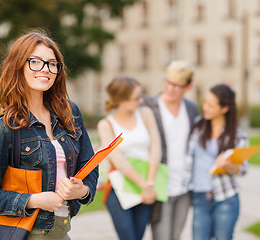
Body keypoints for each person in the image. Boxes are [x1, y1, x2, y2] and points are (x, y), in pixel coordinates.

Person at [0, 30, 98, 240]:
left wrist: (82, 191)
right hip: (28, 232)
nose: (45, 69)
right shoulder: (5, 129)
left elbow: (90, 166)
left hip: (62, 229)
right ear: (19, 65)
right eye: (36, 62)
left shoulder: (70, 113)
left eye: (52, 64)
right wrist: (34, 200)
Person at [97, 75, 161, 240]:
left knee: (138, 236)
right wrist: (144, 185)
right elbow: (117, 160)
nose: (140, 101)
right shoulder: (106, 124)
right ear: (120, 100)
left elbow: (156, 147)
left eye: (141, 96)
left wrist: (150, 184)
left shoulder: (145, 114)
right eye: (136, 98)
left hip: (148, 184)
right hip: (119, 189)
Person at [181, 84, 249, 240]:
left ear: (224, 108)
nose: (205, 108)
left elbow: (243, 169)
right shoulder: (198, 127)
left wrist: (228, 166)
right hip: (199, 197)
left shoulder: (238, 135)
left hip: (226, 197)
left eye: (211, 106)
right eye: (205, 103)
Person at [143, 60, 199, 240]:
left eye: (176, 85)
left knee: (176, 235)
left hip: (184, 184)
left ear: (188, 87)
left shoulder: (191, 108)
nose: (170, 88)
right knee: (161, 236)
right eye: (167, 82)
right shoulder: (148, 105)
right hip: (160, 183)